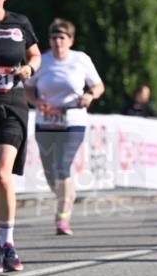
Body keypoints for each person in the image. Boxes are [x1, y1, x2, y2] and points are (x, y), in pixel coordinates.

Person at [25, 19, 104, 235]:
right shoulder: (43, 60)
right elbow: (28, 88)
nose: (58, 41)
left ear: (71, 40)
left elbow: (98, 85)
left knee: (62, 165)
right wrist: (35, 102)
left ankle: (62, 216)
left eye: (62, 37)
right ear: (49, 40)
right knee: (51, 173)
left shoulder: (81, 59)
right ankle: (67, 196)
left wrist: (90, 95)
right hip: (46, 121)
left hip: (73, 121)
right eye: (54, 37)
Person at [0, 0, 41, 272]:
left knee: (0, 173)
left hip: (10, 106)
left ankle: (7, 243)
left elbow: (35, 56)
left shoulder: (19, 23)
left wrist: (29, 69)